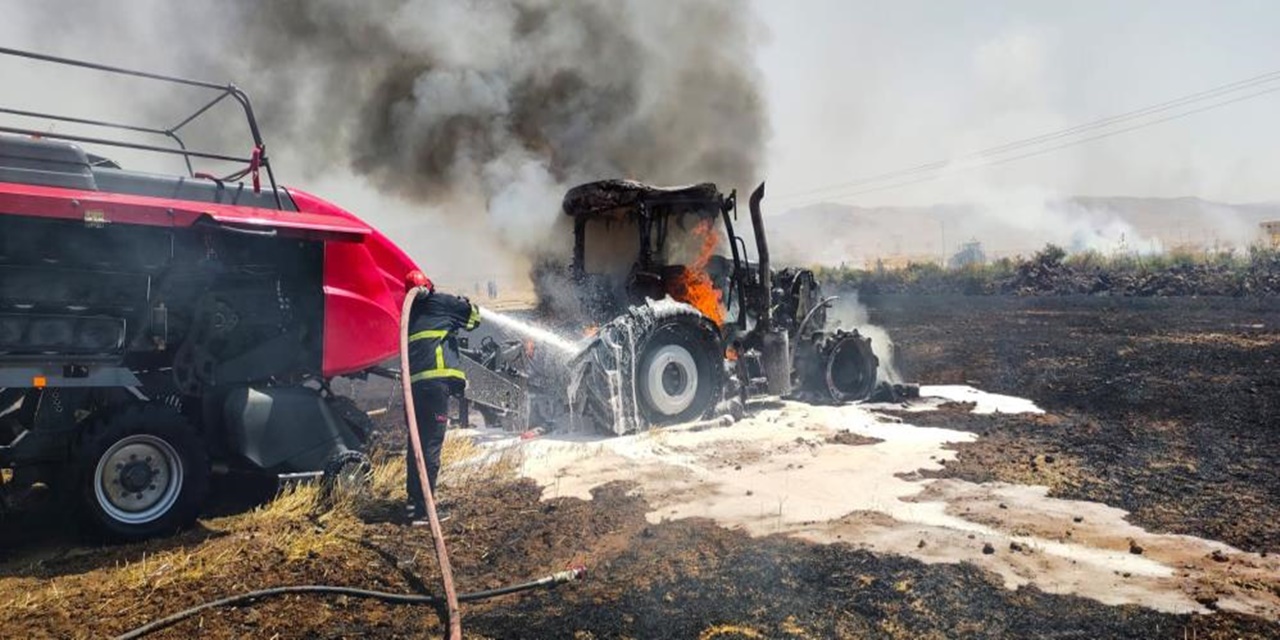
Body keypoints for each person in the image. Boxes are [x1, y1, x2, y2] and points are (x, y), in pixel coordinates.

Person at [403, 271, 481, 524]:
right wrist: (466, 301)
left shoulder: (408, 314)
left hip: (413, 388)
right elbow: (473, 319)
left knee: (416, 442)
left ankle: (414, 504)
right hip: (436, 386)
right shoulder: (441, 303)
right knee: (431, 445)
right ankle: (427, 509)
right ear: (428, 286)